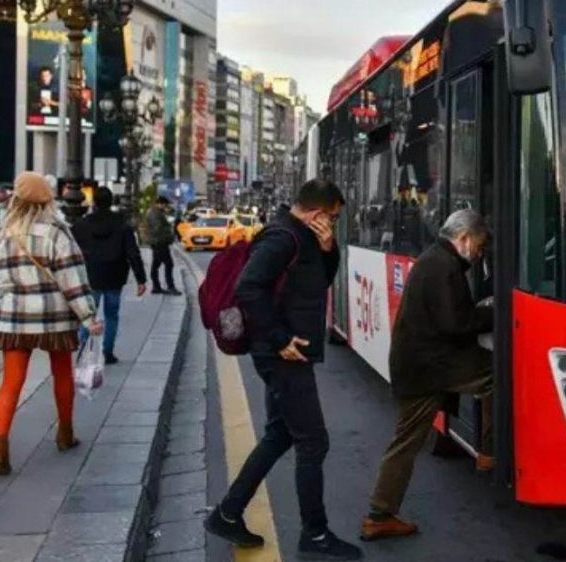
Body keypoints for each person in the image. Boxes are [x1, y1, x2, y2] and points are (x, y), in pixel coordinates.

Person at [205, 180, 362, 561]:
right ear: (317, 213)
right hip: (282, 355)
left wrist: (328, 248)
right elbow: (248, 287)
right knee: (313, 441)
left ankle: (227, 513)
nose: (334, 224)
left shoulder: (303, 238)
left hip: (286, 352)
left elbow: (318, 282)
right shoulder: (282, 239)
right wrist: (279, 340)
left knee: (279, 434)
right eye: (333, 218)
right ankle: (315, 534)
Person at [360, 209, 494, 542]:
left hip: (420, 365)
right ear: (464, 237)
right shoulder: (443, 267)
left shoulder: (436, 259)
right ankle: (489, 452)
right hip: (430, 369)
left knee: (406, 440)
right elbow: (456, 323)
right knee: (496, 375)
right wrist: (493, 312)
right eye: (479, 246)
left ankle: (380, 513)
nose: (479, 254)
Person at [0, 172, 102, 475]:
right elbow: (72, 278)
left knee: (11, 382)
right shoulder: (56, 233)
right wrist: (88, 316)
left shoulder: (2, 233)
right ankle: (65, 433)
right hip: (54, 316)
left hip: (14, 317)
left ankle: (0, 445)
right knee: (61, 372)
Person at [72, 186, 147, 365]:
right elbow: (133, 253)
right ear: (111, 201)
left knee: (88, 315)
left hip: (90, 275)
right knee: (112, 315)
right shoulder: (122, 225)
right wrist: (141, 279)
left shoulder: (81, 225)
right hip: (115, 275)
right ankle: (108, 352)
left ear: (94, 202)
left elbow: (71, 250)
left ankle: (82, 349)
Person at [145, 196, 180, 295]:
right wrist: (168, 237)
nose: (165, 207)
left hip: (158, 243)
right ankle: (170, 287)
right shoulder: (155, 214)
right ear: (160, 204)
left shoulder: (156, 212)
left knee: (156, 265)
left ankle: (156, 287)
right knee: (169, 264)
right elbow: (158, 229)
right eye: (165, 205)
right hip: (160, 243)